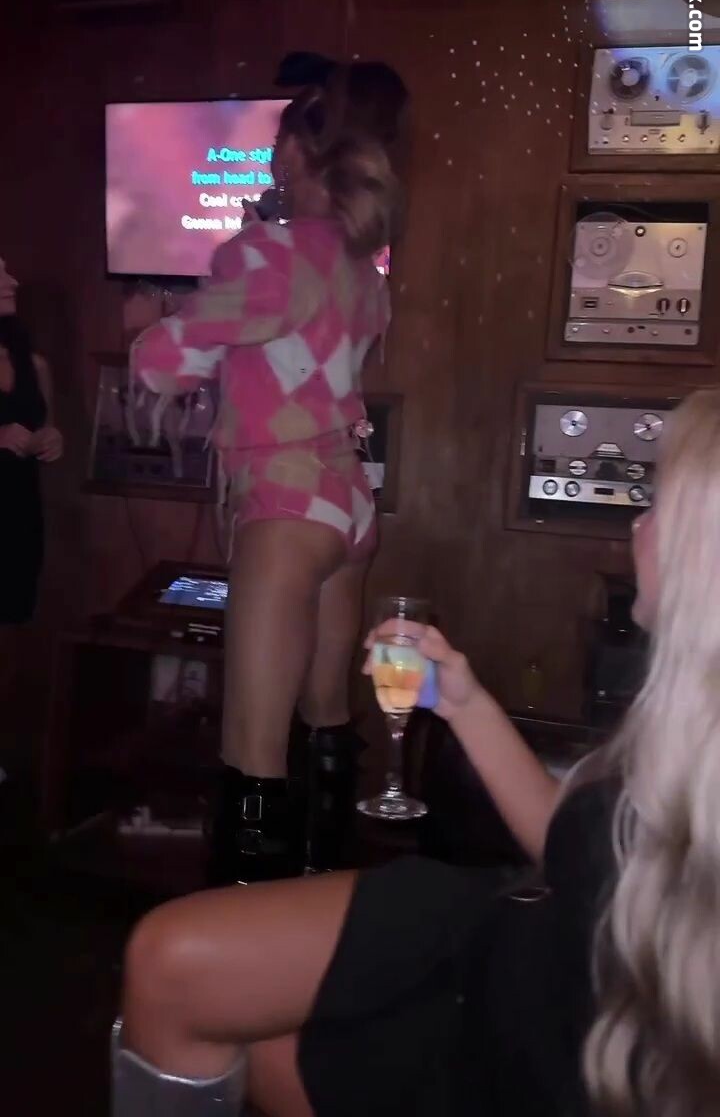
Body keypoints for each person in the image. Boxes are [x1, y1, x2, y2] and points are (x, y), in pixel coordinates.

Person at [112, 387, 720, 1117]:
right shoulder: (691, 725)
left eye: (659, 505)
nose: (638, 524)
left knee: (214, 1004)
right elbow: (579, 853)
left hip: (541, 1015)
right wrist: (463, 702)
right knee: (175, 964)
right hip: (518, 934)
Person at [132, 64, 406, 884]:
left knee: (252, 750)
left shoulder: (267, 253)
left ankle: (239, 945)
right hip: (349, 502)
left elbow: (161, 365)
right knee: (327, 723)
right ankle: (321, 924)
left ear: (292, 152)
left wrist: (149, 319)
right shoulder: (364, 267)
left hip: (286, 503)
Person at [0, 260, 63, 626]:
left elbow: (47, 426)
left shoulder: (33, 363)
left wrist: (50, 438)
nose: (13, 281)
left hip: (20, 517)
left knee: (14, 622)